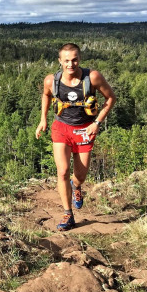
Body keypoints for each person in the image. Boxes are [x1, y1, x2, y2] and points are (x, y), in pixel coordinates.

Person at [35, 43, 116, 231]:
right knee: (62, 171)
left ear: (79, 59)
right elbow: (46, 96)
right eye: (66, 61)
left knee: (80, 175)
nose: (70, 64)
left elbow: (110, 97)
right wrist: (43, 120)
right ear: (60, 61)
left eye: (74, 60)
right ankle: (67, 213)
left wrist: (97, 123)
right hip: (61, 128)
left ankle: (76, 187)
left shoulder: (92, 77)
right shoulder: (51, 80)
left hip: (84, 130)